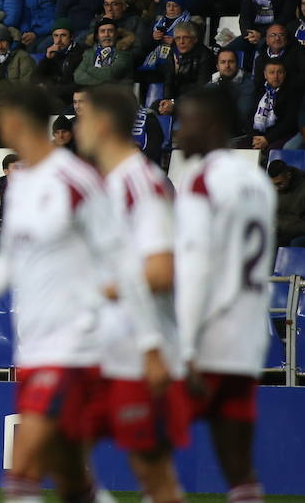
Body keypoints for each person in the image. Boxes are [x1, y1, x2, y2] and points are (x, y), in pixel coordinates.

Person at [0, 85, 164, 503]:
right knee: (72, 482)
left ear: (13, 119)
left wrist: (151, 343)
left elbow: (120, 262)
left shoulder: (78, 181)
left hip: (75, 344)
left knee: (23, 473)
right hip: (35, 345)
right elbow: (10, 263)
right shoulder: (24, 181)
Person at [73, 85, 188, 503]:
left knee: (153, 475)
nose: (75, 126)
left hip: (143, 349)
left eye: (83, 116)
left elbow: (160, 270)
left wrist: (105, 285)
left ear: (103, 124)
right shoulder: (105, 183)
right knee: (63, 451)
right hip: (109, 344)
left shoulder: (140, 182)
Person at [173, 87, 277, 503]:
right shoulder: (257, 181)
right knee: (237, 462)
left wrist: (184, 344)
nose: (178, 131)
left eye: (187, 121)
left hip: (211, 333)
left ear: (211, 126)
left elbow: (197, 268)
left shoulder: (202, 180)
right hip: (248, 334)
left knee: (147, 441)